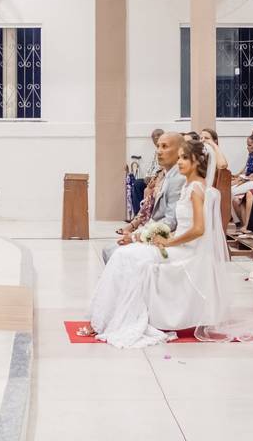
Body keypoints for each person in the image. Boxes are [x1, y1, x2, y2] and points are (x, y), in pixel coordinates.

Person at [77, 140, 228, 347]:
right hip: (177, 246)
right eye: (180, 157)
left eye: (185, 158)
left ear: (197, 161)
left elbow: (198, 229)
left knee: (127, 256)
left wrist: (170, 242)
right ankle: (105, 318)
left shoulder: (195, 189)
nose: (180, 161)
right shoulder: (190, 186)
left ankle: (110, 320)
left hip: (185, 252)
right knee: (125, 255)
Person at [107, 132, 186, 263]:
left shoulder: (177, 178)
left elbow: (170, 223)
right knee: (110, 250)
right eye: (158, 146)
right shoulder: (168, 175)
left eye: (165, 146)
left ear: (180, 151)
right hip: (154, 231)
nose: (159, 151)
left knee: (112, 253)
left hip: (166, 239)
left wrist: (137, 237)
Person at [131, 129, 165, 210]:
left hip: (159, 178)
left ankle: (143, 215)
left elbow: (162, 168)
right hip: (152, 178)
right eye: (153, 137)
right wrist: (147, 176)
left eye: (158, 135)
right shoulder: (155, 152)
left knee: (145, 188)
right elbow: (151, 167)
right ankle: (138, 214)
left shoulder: (166, 150)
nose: (155, 138)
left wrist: (154, 177)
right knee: (137, 184)